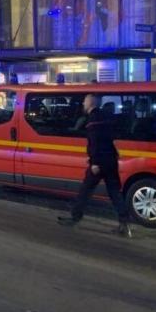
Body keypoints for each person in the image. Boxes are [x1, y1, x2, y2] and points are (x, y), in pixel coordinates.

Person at [58, 94, 132, 237]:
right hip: (111, 159)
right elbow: (110, 138)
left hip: (100, 162)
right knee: (115, 193)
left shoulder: (93, 120)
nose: (83, 104)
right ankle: (125, 224)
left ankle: (75, 217)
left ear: (91, 103)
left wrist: (94, 162)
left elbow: (95, 142)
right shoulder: (106, 117)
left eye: (85, 101)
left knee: (85, 190)